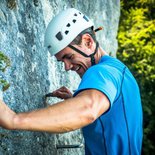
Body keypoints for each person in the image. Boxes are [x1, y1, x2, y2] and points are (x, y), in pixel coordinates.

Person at [0, 8, 143, 155]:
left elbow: (88, 109)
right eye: (62, 61)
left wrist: (14, 119)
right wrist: (76, 99)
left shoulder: (101, 71)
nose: (67, 67)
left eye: (69, 57)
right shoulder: (120, 70)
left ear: (88, 41)